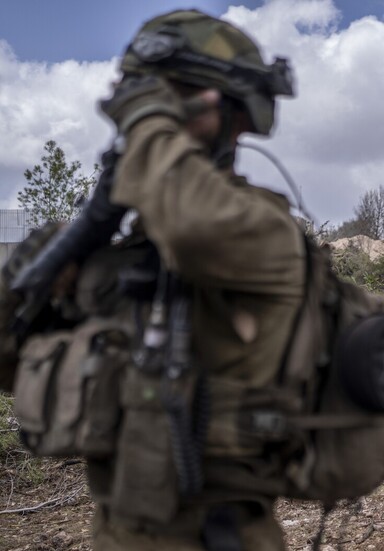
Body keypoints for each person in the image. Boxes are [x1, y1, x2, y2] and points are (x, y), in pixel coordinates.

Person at [9, 10, 302, 550]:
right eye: (147, 98)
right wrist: (62, 252)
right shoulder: (117, 255)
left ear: (234, 115)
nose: (150, 116)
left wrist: (146, 120)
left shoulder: (265, 234)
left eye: (174, 97)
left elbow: (192, 227)